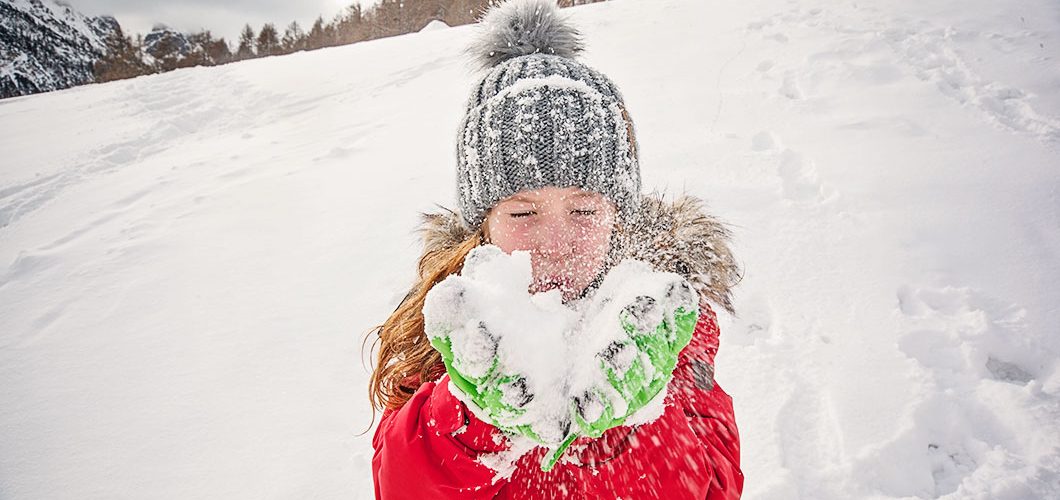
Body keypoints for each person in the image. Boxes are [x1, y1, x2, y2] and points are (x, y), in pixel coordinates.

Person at [369, 1, 743, 498]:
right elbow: (401, 482)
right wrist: (474, 418)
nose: (556, 244)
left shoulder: (665, 327)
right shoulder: (451, 328)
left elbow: (716, 483)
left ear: (618, 218)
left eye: (584, 211)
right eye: (523, 215)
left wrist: (635, 420)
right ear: (482, 225)